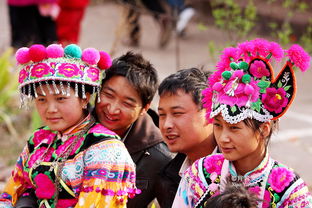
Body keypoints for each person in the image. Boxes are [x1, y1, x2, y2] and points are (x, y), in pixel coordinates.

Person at [172, 39, 312, 207]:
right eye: (217, 125)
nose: (223, 138)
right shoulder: (200, 174)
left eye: (234, 128)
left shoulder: (289, 190)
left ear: (264, 129)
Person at [0, 44, 138, 208]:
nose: (50, 109)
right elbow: (12, 192)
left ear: (84, 98)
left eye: (60, 99)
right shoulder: (39, 139)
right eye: (42, 100)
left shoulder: (105, 149)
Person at [94, 51, 173, 207]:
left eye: (127, 104)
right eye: (108, 95)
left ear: (144, 108)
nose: (112, 109)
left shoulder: (158, 157)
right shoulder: (75, 129)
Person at [157, 68, 217, 207]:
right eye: (162, 115)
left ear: (209, 113)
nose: (166, 125)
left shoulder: (237, 171)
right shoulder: (169, 175)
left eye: (177, 113)